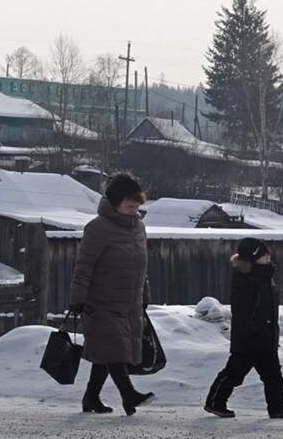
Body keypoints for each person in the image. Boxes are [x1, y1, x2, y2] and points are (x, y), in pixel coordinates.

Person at [69, 173, 155, 416]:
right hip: (101, 301)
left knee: (108, 351)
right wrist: (78, 298)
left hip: (130, 302)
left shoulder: (138, 228)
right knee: (115, 349)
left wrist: (144, 294)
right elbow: (84, 265)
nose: (134, 210)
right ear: (115, 203)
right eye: (130, 205)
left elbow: (141, 265)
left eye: (137, 205)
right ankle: (129, 394)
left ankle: (91, 398)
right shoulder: (97, 228)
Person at [204, 237, 283, 419]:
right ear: (254, 257)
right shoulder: (247, 279)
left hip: (265, 336)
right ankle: (215, 402)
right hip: (250, 338)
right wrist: (251, 333)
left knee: (272, 376)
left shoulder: (264, 276)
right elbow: (244, 311)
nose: (268, 257)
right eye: (264, 255)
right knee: (235, 374)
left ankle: (277, 408)